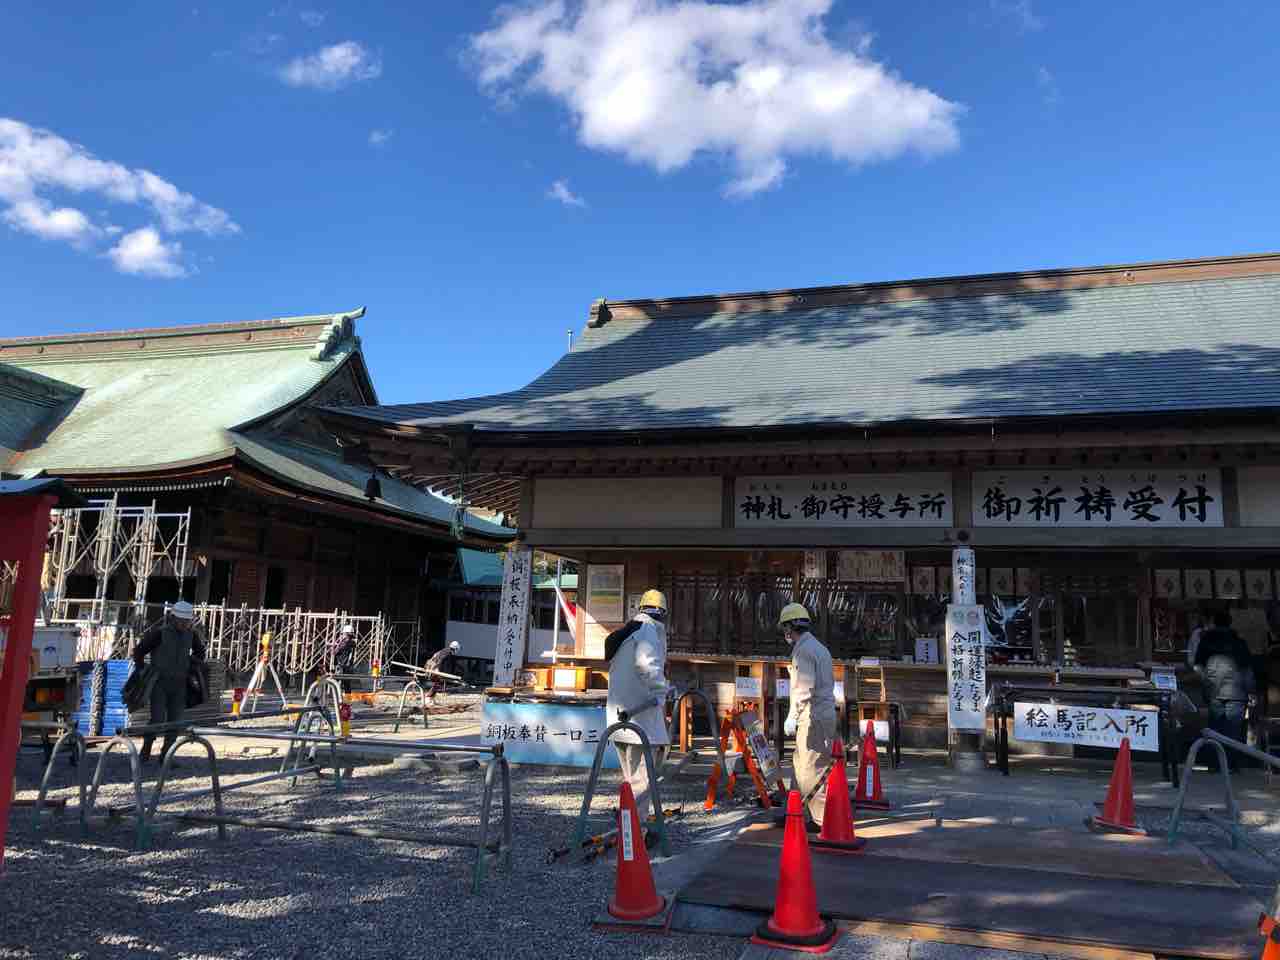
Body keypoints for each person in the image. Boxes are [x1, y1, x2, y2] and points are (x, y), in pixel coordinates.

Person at [605, 589, 670, 824]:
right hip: (640, 718)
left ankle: (627, 826)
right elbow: (647, 665)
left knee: (630, 778)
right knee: (643, 778)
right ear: (662, 613)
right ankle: (637, 830)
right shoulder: (648, 630)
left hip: (619, 719)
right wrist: (663, 691)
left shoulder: (628, 631)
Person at [780, 602, 836, 831]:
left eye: (785, 627)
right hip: (821, 714)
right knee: (800, 763)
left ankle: (820, 820)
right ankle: (796, 813)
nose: (784, 632)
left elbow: (803, 688)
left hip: (813, 716)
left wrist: (792, 716)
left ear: (790, 627)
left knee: (811, 768)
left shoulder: (803, 651)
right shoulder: (818, 647)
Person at [133, 600, 206, 765]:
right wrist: (142, 670)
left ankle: (166, 755)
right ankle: (146, 748)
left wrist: (192, 665)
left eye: (187, 621)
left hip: (180, 684)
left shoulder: (191, 635)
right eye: (181, 620)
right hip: (159, 683)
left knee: (175, 721)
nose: (184, 624)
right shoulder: (159, 633)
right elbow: (139, 651)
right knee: (157, 719)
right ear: (173, 618)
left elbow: (200, 652)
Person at [1194, 610, 1255, 768]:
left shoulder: (1206, 641)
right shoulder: (1239, 643)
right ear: (1230, 623)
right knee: (1233, 731)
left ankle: (1214, 763)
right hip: (1237, 692)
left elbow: (1197, 667)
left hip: (1214, 691)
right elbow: (1247, 670)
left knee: (1215, 729)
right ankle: (1231, 764)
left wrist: (1206, 683)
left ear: (1214, 622)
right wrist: (1250, 690)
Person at [330, 623, 358, 691]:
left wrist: (333, 648)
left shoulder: (345, 642)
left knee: (335, 683)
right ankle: (347, 697)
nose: (343, 635)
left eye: (343, 634)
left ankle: (337, 696)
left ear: (346, 633)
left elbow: (335, 652)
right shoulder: (353, 642)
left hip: (342, 666)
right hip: (349, 666)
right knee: (347, 685)